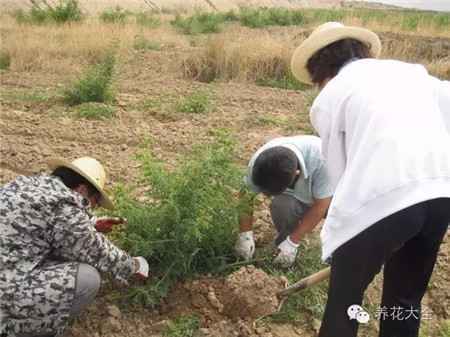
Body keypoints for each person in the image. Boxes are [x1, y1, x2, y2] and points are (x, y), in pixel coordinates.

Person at [290, 22, 450, 337]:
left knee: (344, 305)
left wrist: (346, 234)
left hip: (380, 199)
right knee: (404, 303)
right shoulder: (414, 74)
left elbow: (339, 173)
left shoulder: (331, 95)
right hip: (439, 195)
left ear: (320, 70)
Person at [0, 157, 149, 337]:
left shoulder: (27, 185)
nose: (92, 208)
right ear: (83, 190)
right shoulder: (62, 205)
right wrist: (133, 265)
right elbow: (96, 251)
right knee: (88, 278)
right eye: (94, 202)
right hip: (4, 295)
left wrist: (91, 223)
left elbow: (47, 222)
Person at [234, 135, 333, 267]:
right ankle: (283, 243)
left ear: (296, 174)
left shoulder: (322, 158)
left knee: (342, 212)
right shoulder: (261, 163)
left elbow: (321, 205)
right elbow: (246, 197)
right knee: (281, 205)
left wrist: (294, 241)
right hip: (298, 197)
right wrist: (245, 235)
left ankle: (335, 248)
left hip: (332, 196)